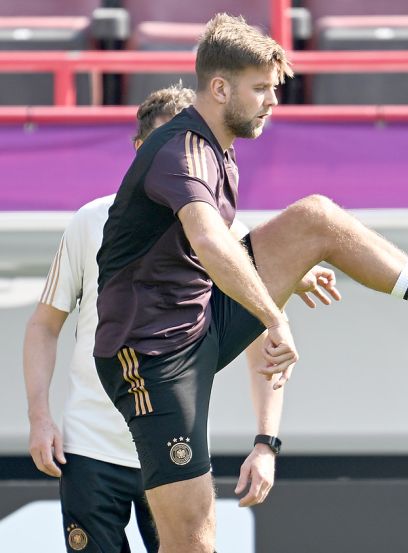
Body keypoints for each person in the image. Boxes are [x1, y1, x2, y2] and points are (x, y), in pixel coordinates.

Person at [93, 14, 408, 553]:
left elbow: (201, 251)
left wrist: (286, 271)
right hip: (149, 357)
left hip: (199, 317)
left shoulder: (217, 148)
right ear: (220, 87)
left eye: (273, 89)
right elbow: (208, 243)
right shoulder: (179, 150)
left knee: (315, 219)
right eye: (260, 89)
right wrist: (274, 316)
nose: (272, 102)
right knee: (192, 543)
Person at [23, 84, 340, 553]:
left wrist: (266, 442)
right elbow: (43, 326)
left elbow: (264, 347)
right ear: (140, 152)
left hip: (174, 452)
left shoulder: (227, 233)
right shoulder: (92, 221)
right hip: (90, 450)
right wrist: (40, 417)